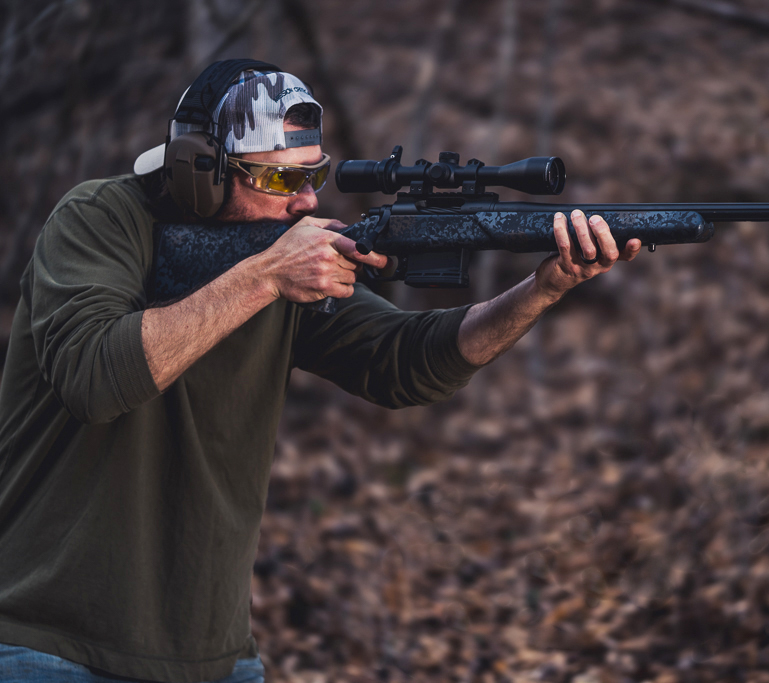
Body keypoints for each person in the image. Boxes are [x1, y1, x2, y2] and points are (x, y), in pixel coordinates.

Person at [0, 60, 641, 683]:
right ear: (201, 173)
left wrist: (541, 290)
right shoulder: (99, 218)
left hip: (214, 654)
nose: (307, 200)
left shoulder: (287, 258)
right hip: (47, 646)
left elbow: (404, 365)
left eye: (316, 175)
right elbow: (93, 377)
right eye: (279, 181)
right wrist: (264, 276)